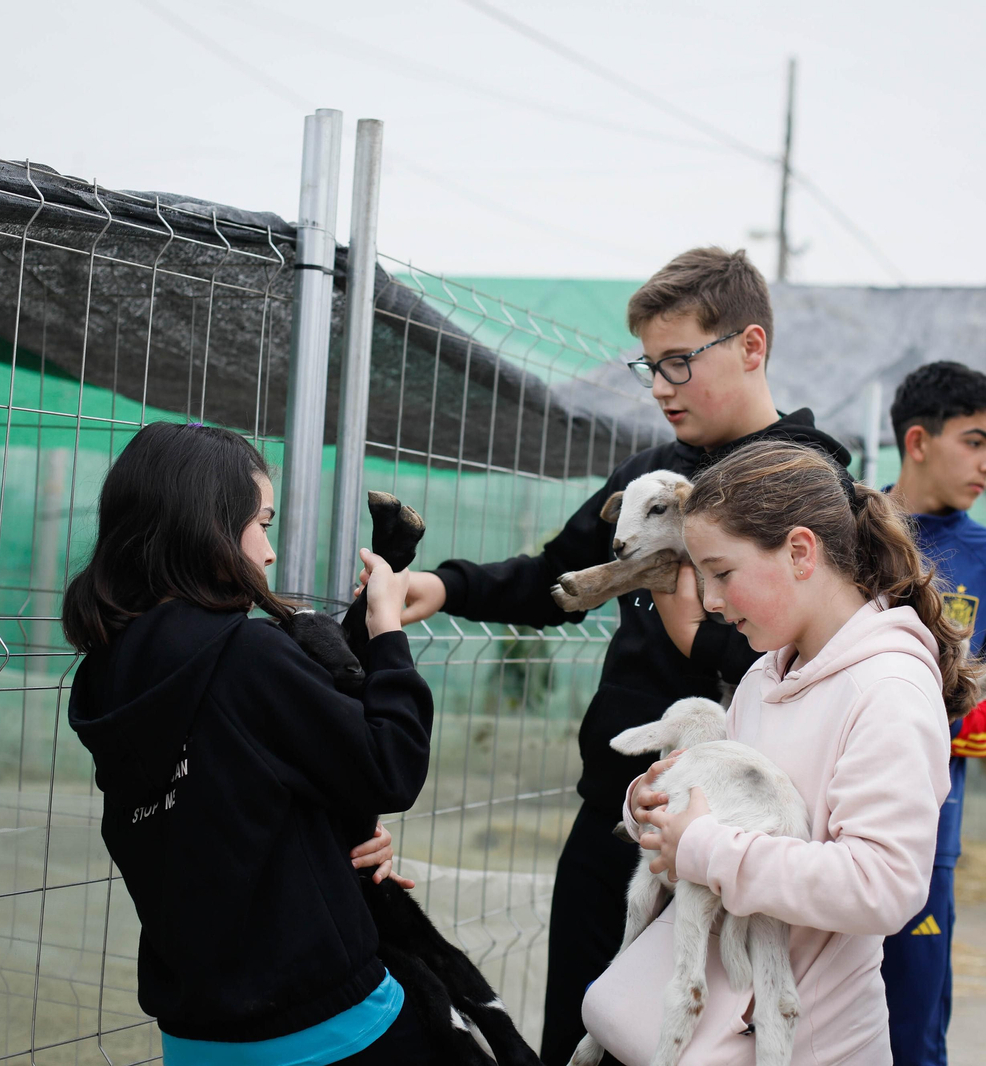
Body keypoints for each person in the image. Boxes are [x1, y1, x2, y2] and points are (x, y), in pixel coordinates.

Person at [396, 246, 851, 1064]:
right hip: (612, 813)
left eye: (679, 361)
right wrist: (444, 585)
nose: (661, 387)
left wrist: (697, 634)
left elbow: (812, 654)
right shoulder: (652, 473)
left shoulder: (803, 484)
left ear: (751, 346)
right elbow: (556, 577)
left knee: (686, 1041)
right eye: (650, 365)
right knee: (579, 1030)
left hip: (723, 841)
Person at [63, 421, 436, 1065]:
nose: (268, 552)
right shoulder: (244, 655)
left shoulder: (107, 674)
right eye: (261, 523)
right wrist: (385, 629)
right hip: (326, 1026)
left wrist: (333, 837)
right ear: (208, 526)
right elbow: (390, 767)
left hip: (197, 1037)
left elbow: (230, 804)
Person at [590, 440, 966, 1065]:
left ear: (799, 552)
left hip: (816, 1046)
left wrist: (706, 847)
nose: (709, 602)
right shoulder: (765, 676)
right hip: (729, 1030)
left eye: (722, 573)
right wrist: (656, 806)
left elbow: (883, 885)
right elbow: (720, 812)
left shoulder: (889, 690)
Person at [880, 361, 986, 1066]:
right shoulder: (840, 528)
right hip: (820, 815)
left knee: (912, 1025)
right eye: (975, 442)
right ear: (917, 440)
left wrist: (924, 728)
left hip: (926, 825)